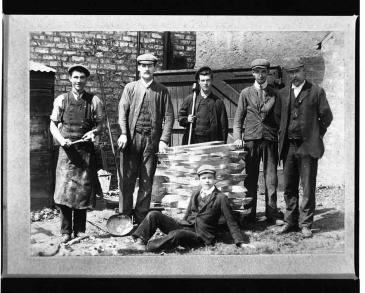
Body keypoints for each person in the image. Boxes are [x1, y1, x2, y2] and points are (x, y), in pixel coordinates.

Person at [129, 165, 253, 252]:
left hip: (201, 237)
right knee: (154, 214)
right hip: (187, 226)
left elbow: (231, 221)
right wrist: (180, 224)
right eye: (204, 178)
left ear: (215, 179)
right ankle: (140, 241)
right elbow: (188, 212)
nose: (207, 181)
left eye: (210, 177)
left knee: (176, 234)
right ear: (199, 180)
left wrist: (240, 242)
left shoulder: (221, 198)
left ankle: (149, 247)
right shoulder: (196, 192)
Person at [275, 60, 333, 238]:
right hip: (289, 147)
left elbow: (327, 116)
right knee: (289, 186)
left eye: (297, 72)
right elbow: (278, 117)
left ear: (303, 71)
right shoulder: (283, 93)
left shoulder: (316, 91)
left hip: (308, 146)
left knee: (307, 186)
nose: (294, 76)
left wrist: (317, 134)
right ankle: (290, 222)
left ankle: (306, 224)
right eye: (290, 72)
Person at [117, 53, 174, 225]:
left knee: (146, 180)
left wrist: (164, 139)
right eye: (143, 66)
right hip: (131, 141)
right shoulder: (130, 88)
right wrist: (123, 133)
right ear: (138, 68)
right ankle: (124, 217)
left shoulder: (162, 91)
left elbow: (170, 116)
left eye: (150, 66)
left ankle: (141, 219)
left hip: (151, 142)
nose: (147, 69)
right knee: (126, 180)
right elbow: (122, 112)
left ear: (154, 68)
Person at [50, 64, 104, 243]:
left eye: (82, 78)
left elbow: (100, 125)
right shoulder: (61, 100)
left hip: (85, 153)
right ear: (70, 79)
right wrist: (60, 139)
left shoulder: (94, 101)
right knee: (64, 191)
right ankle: (66, 231)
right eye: (75, 77)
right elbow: (52, 124)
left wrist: (93, 133)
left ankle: (80, 230)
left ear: (86, 80)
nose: (78, 81)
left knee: (82, 191)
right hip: (66, 152)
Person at [233, 59, 282, 225]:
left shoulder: (275, 93)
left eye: (263, 72)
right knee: (250, 178)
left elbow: (280, 118)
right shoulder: (245, 93)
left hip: (269, 139)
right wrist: (238, 137)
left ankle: (272, 213)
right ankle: (249, 214)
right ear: (252, 73)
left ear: (268, 73)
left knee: (271, 178)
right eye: (257, 72)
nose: (260, 75)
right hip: (251, 140)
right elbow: (238, 119)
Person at [178, 66, 228, 145]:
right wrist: (187, 119)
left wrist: (222, 145)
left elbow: (223, 128)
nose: (205, 83)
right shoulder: (190, 99)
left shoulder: (218, 102)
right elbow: (180, 117)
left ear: (211, 80)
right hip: (192, 142)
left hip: (211, 143)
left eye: (207, 80)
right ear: (198, 81)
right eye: (203, 80)